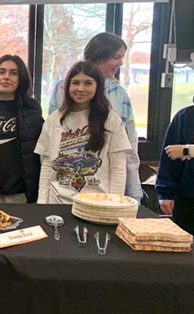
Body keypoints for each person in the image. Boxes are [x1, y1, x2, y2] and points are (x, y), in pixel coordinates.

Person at [49, 33, 143, 203]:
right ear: (100, 55)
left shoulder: (119, 94)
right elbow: (52, 143)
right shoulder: (62, 88)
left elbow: (129, 147)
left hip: (105, 190)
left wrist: (134, 191)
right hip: (63, 192)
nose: (120, 63)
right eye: (116, 57)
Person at [35, 61, 131, 204]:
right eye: (75, 83)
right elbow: (48, 165)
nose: (80, 88)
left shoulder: (111, 119)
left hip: (97, 203)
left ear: (98, 86)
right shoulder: (54, 119)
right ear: (67, 86)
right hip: (58, 202)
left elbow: (118, 168)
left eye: (88, 83)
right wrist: (42, 202)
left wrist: (114, 203)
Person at [0, 54, 43, 204]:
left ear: (21, 78)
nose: (6, 77)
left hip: (20, 194)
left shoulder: (32, 109)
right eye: (1, 71)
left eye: (14, 73)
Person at [156, 83, 194, 240]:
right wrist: (165, 192)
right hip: (190, 201)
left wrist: (187, 150)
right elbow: (169, 158)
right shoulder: (186, 116)